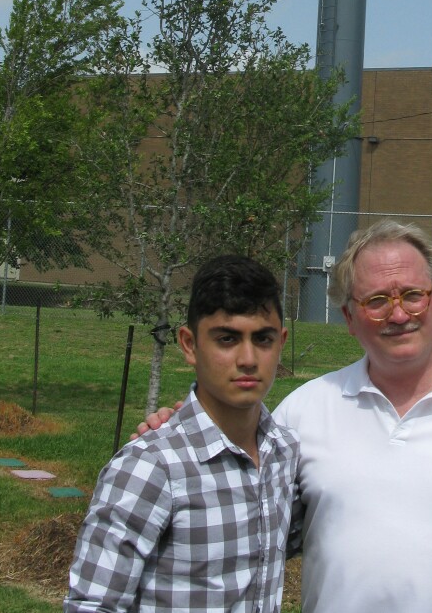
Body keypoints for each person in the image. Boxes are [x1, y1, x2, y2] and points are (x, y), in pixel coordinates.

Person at [139, 221, 432, 613]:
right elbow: (238, 496)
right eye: (376, 301)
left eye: (413, 295)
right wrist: (176, 429)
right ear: (349, 317)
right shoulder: (304, 410)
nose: (398, 314)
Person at [65, 254, 300, 613]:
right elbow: (94, 604)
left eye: (263, 339)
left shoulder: (284, 453)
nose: (248, 359)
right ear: (189, 345)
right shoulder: (150, 467)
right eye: (227, 339)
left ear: (281, 342)